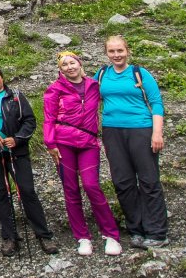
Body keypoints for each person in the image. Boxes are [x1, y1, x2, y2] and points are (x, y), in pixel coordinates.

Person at [0, 65, 59, 255]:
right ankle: (9, 236)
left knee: (27, 190)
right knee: (1, 192)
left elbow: (29, 120)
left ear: (2, 77)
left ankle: (43, 234)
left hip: (17, 150)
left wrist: (17, 138)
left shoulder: (16, 96)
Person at [43, 51, 122, 256]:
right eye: (64, 65)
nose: (69, 67)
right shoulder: (55, 89)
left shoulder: (94, 85)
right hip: (63, 142)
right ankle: (82, 237)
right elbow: (49, 117)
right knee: (70, 190)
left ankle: (111, 234)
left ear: (79, 63)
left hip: (88, 141)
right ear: (60, 69)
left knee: (91, 185)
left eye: (72, 62)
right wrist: (50, 143)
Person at [99, 35, 169, 248]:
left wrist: (157, 133)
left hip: (141, 129)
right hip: (112, 131)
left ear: (127, 50)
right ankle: (136, 228)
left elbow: (156, 103)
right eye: (112, 51)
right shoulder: (102, 74)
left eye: (120, 50)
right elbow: (89, 95)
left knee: (148, 180)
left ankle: (156, 232)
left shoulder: (140, 73)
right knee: (123, 181)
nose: (116, 55)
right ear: (107, 53)